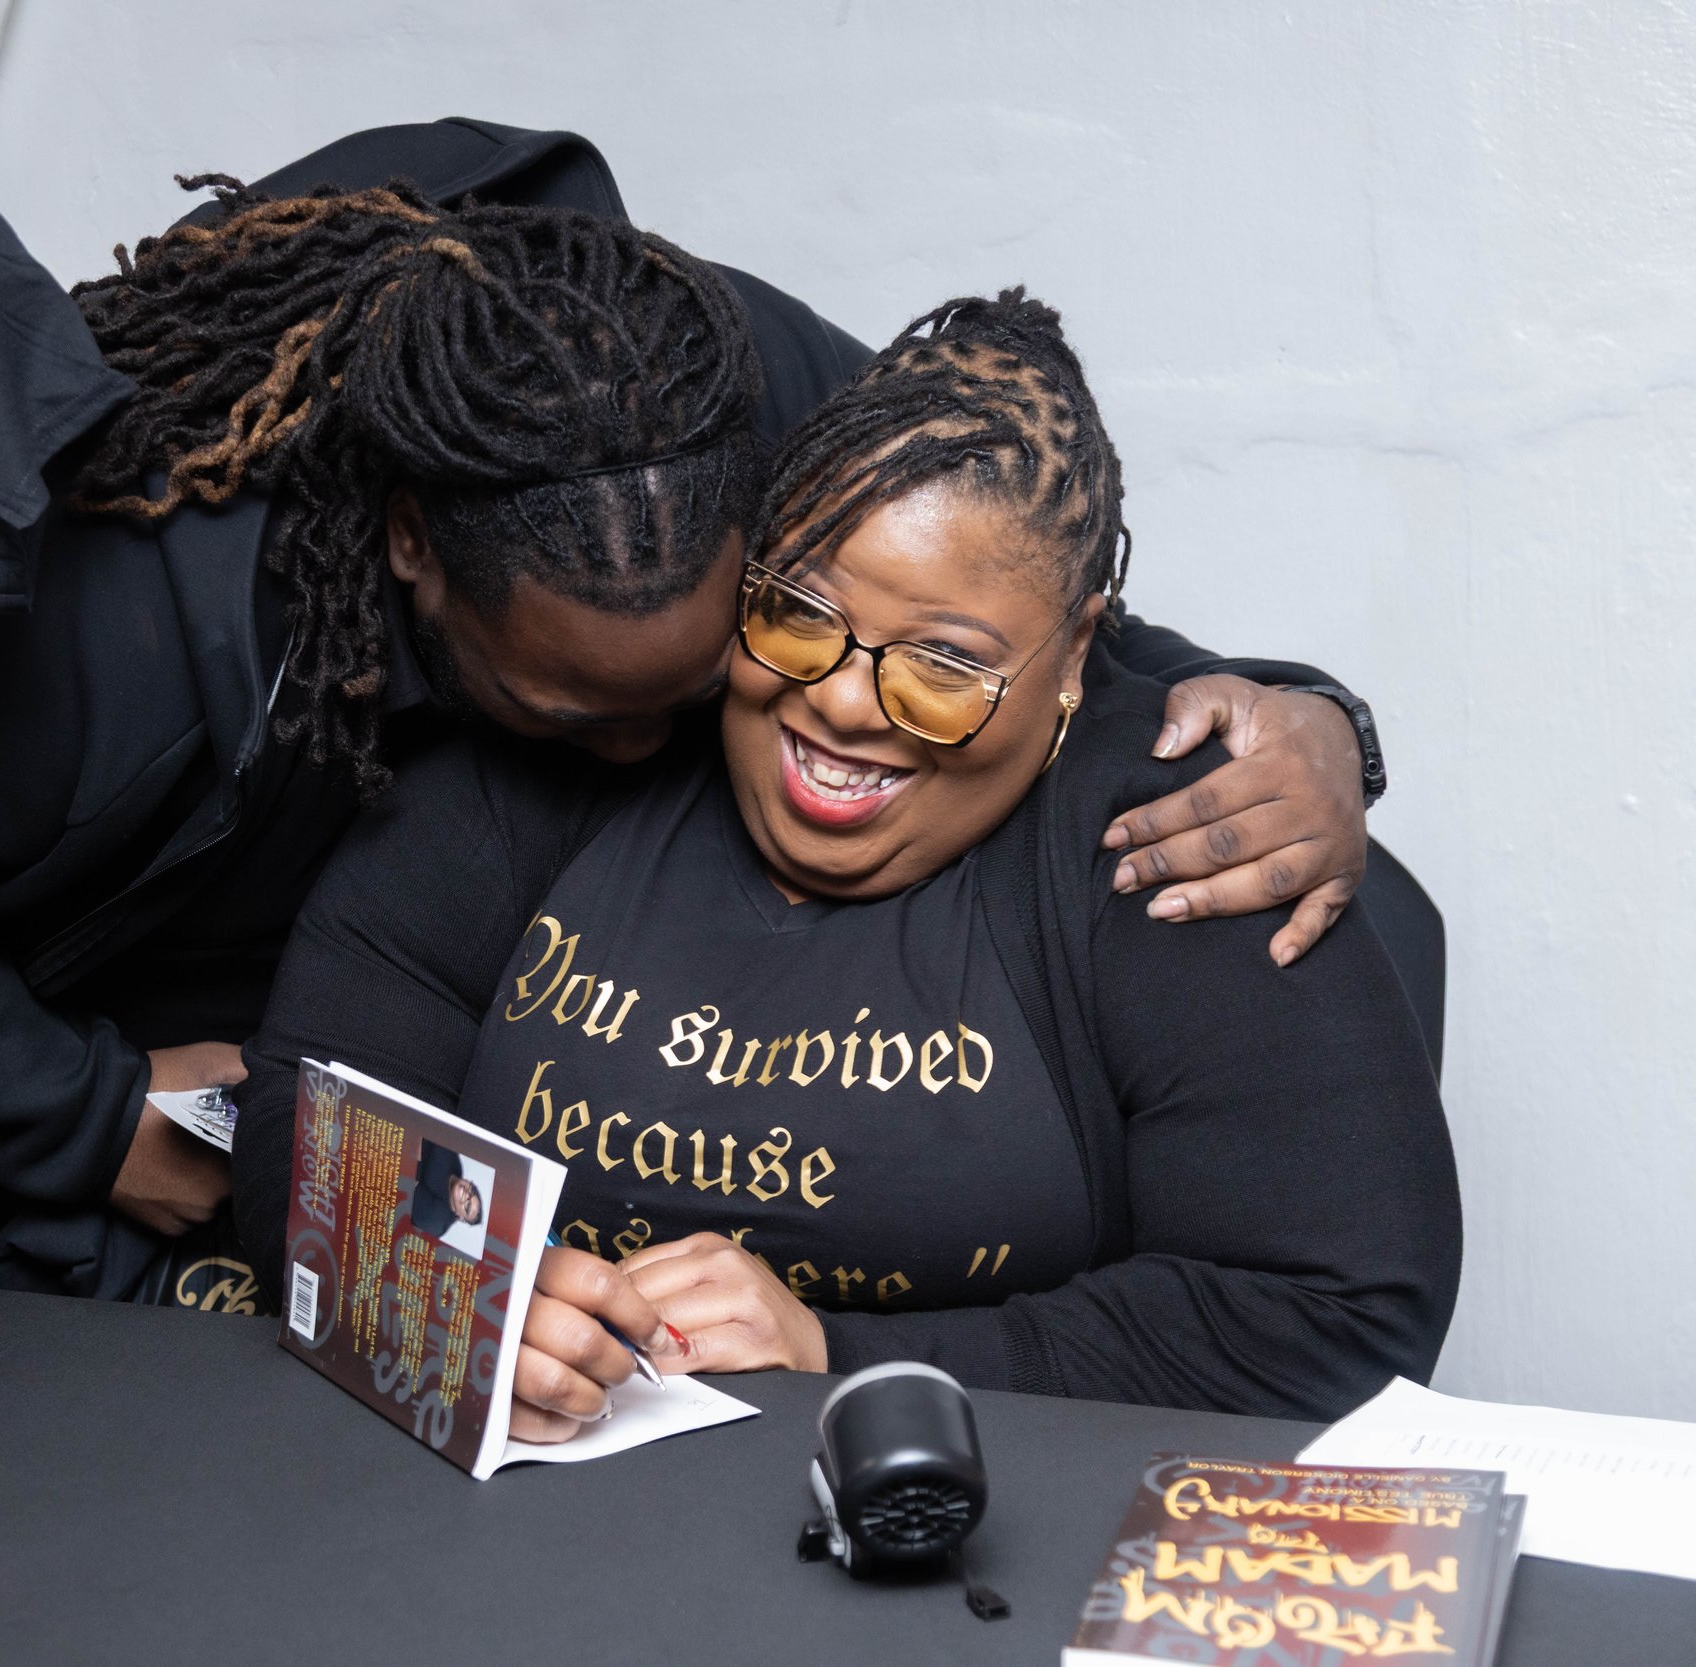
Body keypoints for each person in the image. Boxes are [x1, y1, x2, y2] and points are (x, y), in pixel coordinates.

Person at [0, 122, 1386, 1300]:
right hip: (37, 1063)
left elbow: (1007, 567)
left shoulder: (723, 389)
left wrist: (1306, 720)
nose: (653, 760)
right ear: (410, 555)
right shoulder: (93, 638)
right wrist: (79, 1109)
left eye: (699, 668)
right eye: (574, 715)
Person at [232, 290, 1460, 1434]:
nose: (843, 705)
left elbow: (1333, 1319)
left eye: (941, 666)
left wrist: (842, 1353)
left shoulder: (1175, 845)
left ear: (1078, 655)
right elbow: (307, 1116)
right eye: (797, 615)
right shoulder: (563, 760)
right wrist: (455, 1287)